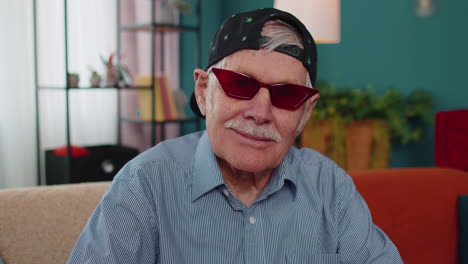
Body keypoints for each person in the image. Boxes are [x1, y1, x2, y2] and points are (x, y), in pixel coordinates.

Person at [68, 8, 403, 263]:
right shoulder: (146, 184)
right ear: (203, 91)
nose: (260, 112)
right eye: (240, 85)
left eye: (285, 95)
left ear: (306, 113)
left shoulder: (331, 188)